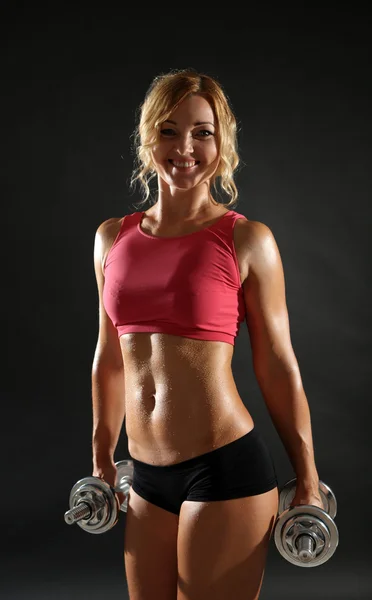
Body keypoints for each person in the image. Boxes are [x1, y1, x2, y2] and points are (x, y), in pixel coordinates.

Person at [91, 68, 324, 600]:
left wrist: (307, 477)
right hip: (145, 474)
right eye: (169, 131)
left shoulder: (246, 240)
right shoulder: (112, 240)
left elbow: (277, 364)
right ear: (148, 137)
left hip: (223, 467)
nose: (185, 148)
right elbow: (109, 357)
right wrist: (102, 454)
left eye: (203, 132)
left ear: (223, 142)